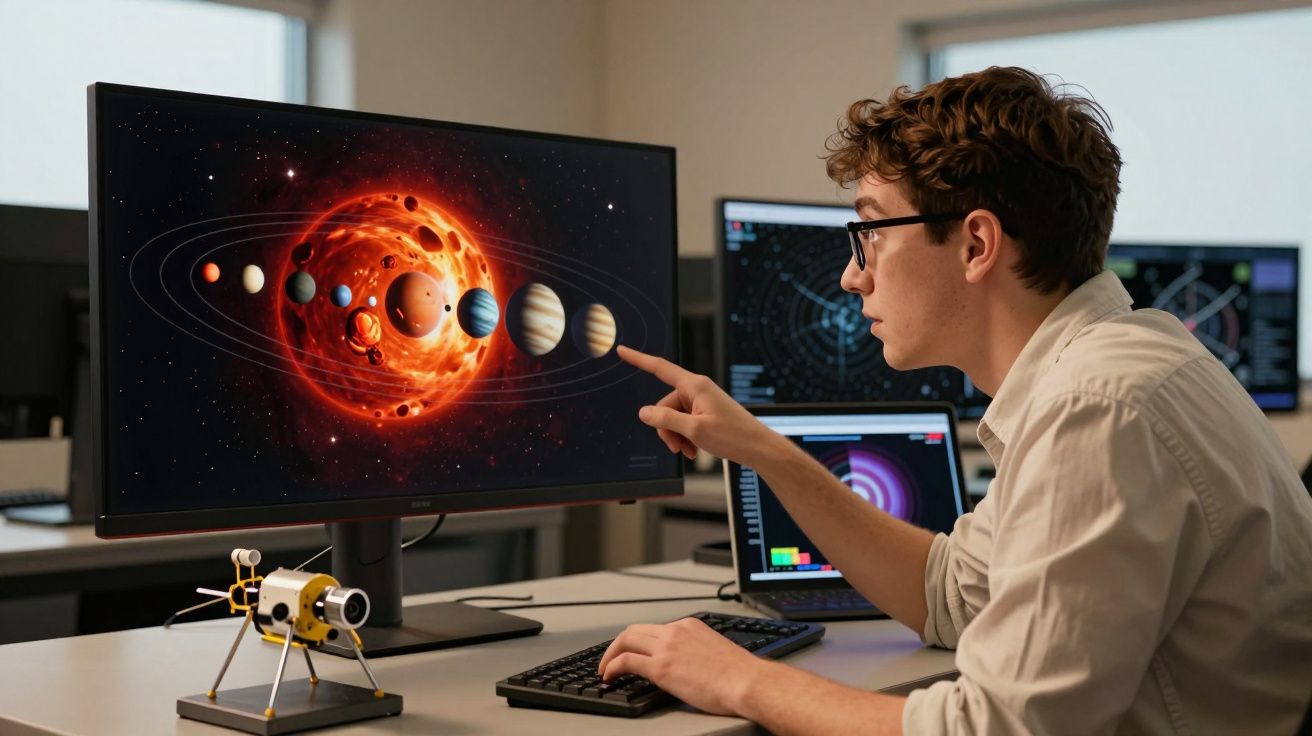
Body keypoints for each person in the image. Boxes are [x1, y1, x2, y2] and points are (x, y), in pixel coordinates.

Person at [598, 66, 1312, 735]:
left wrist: (738, 682)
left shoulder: (1097, 407)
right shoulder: (1121, 362)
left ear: (975, 244)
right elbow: (949, 593)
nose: (853, 277)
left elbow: (993, 729)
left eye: (869, 233)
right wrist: (762, 451)